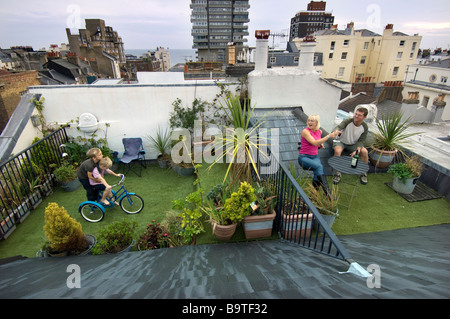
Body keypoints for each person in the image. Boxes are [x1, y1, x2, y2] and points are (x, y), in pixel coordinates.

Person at [298, 114, 340, 197]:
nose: (309, 122)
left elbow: (316, 142)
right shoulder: (305, 131)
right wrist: (328, 136)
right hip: (304, 157)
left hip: (315, 157)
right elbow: (313, 142)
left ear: (317, 123)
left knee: (318, 173)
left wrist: (320, 145)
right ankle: (328, 194)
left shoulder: (319, 131)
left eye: (312, 121)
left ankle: (313, 194)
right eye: (309, 120)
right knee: (319, 167)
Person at [332, 107, 369, 185]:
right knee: (338, 151)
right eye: (356, 114)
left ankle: (363, 173)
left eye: (359, 115)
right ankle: (337, 174)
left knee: (364, 152)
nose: (356, 116)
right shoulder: (348, 121)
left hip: (353, 144)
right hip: (341, 141)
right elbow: (339, 127)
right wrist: (336, 131)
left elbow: (361, 141)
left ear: (364, 117)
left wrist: (357, 150)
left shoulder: (364, 127)